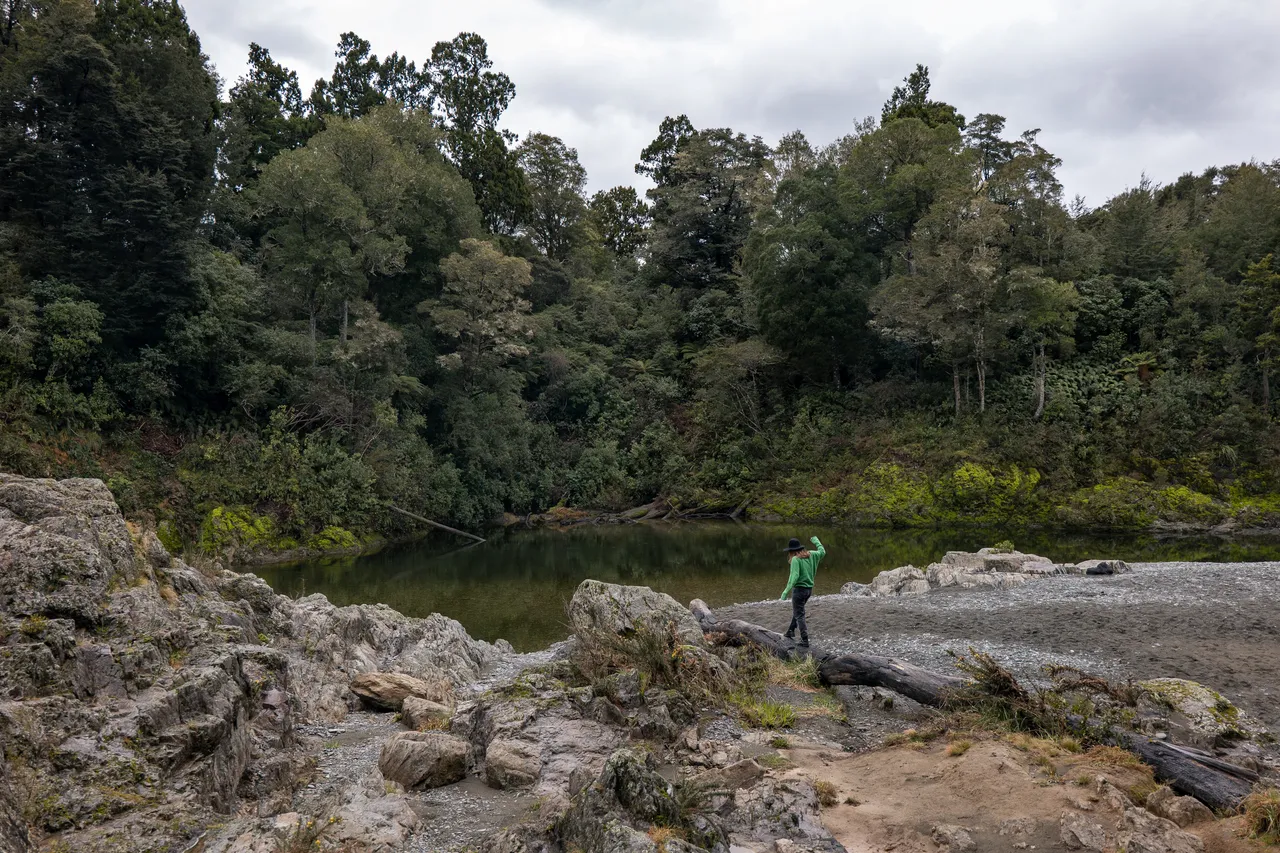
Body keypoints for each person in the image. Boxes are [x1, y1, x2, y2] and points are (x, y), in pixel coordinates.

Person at [780, 535, 825, 646]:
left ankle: (805, 639)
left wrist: (785, 592)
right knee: (798, 611)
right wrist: (816, 541)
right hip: (808, 590)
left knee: (800, 614)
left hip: (799, 591)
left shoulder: (795, 559)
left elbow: (794, 577)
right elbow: (822, 551)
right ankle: (791, 631)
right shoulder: (812, 554)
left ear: (791, 551)